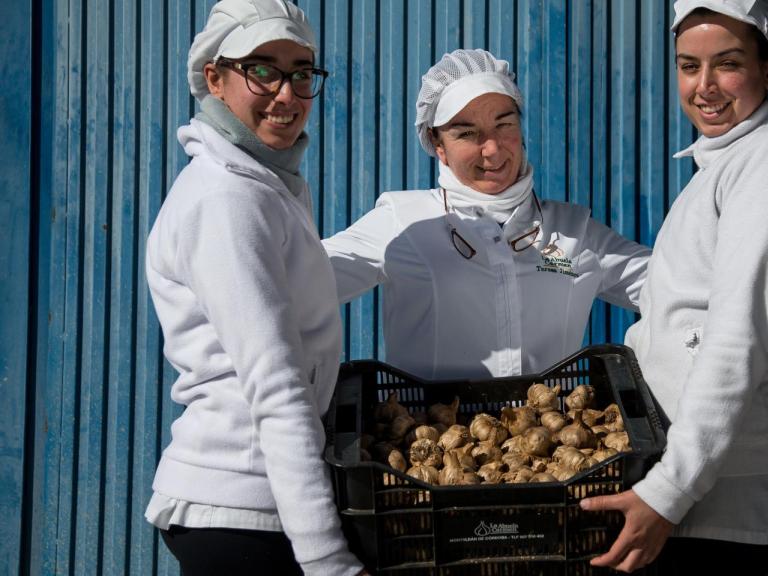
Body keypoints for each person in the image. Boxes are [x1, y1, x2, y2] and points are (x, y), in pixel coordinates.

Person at [580, 1, 768, 574]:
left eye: (727, 64)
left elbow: (736, 337)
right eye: (688, 66)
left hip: (746, 497)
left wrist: (667, 491)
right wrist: (544, 255)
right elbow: (669, 295)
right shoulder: (723, 166)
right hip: (708, 492)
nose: (704, 87)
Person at [143, 1, 364, 574]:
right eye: (262, 70)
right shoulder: (227, 199)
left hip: (258, 505)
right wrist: (327, 559)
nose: (286, 95)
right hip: (241, 509)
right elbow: (275, 386)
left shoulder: (265, 182)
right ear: (214, 79)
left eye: (300, 73)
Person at [322, 49, 650, 380]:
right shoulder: (405, 222)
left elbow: (669, 286)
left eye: (504, 124)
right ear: (438, 144)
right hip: (428, 415)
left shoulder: (574, 232)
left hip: (551, 415)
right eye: (467, 133)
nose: (492, 149)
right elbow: (303, 282)